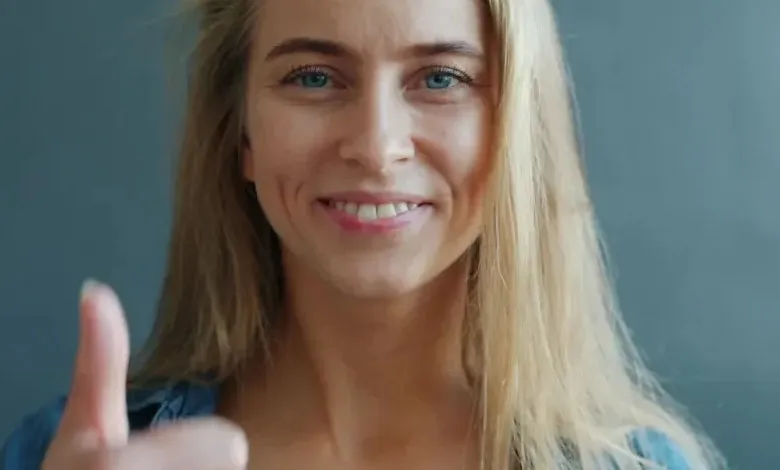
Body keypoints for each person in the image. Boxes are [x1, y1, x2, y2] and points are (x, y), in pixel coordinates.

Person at [1, 0, 725, 468]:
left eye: (441, 79)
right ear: (241, 135)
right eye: (314, 78)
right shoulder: (65, 455)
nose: (377, 147)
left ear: (516, 131)